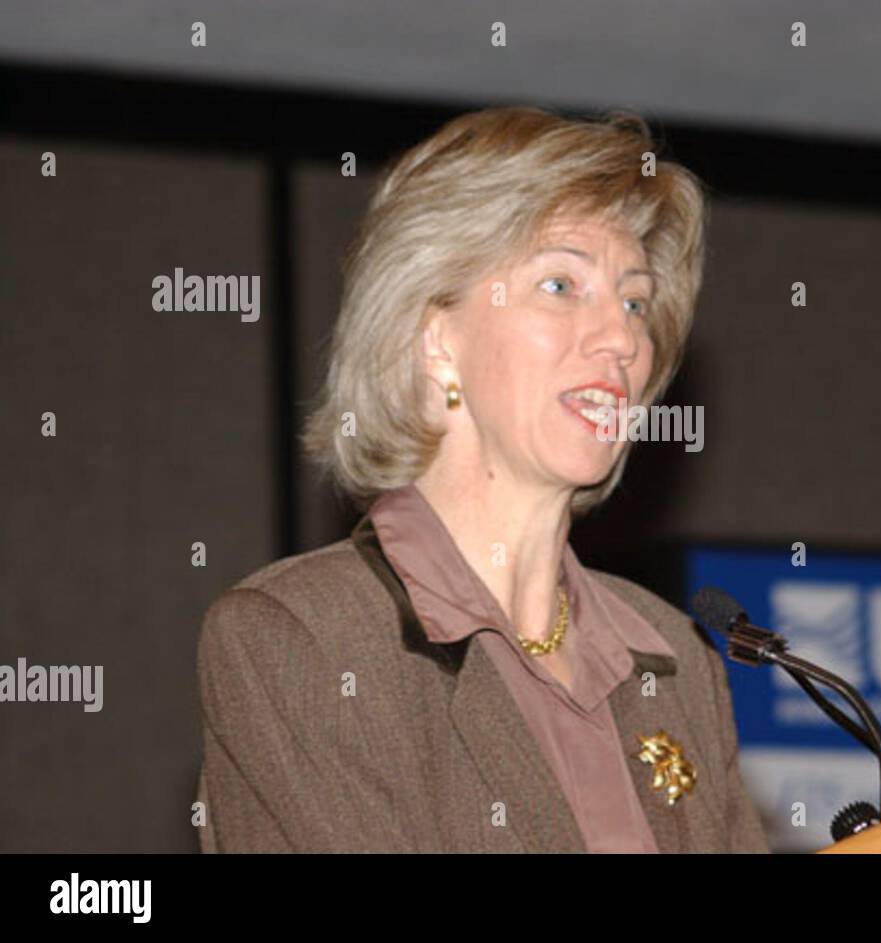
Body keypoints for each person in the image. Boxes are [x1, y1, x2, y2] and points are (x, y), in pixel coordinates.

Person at [194, 105, 770, 853]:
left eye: (634, 300)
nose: (624, 336)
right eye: (562, 285)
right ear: (436, 339)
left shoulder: (674, 657)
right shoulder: (301, 639)